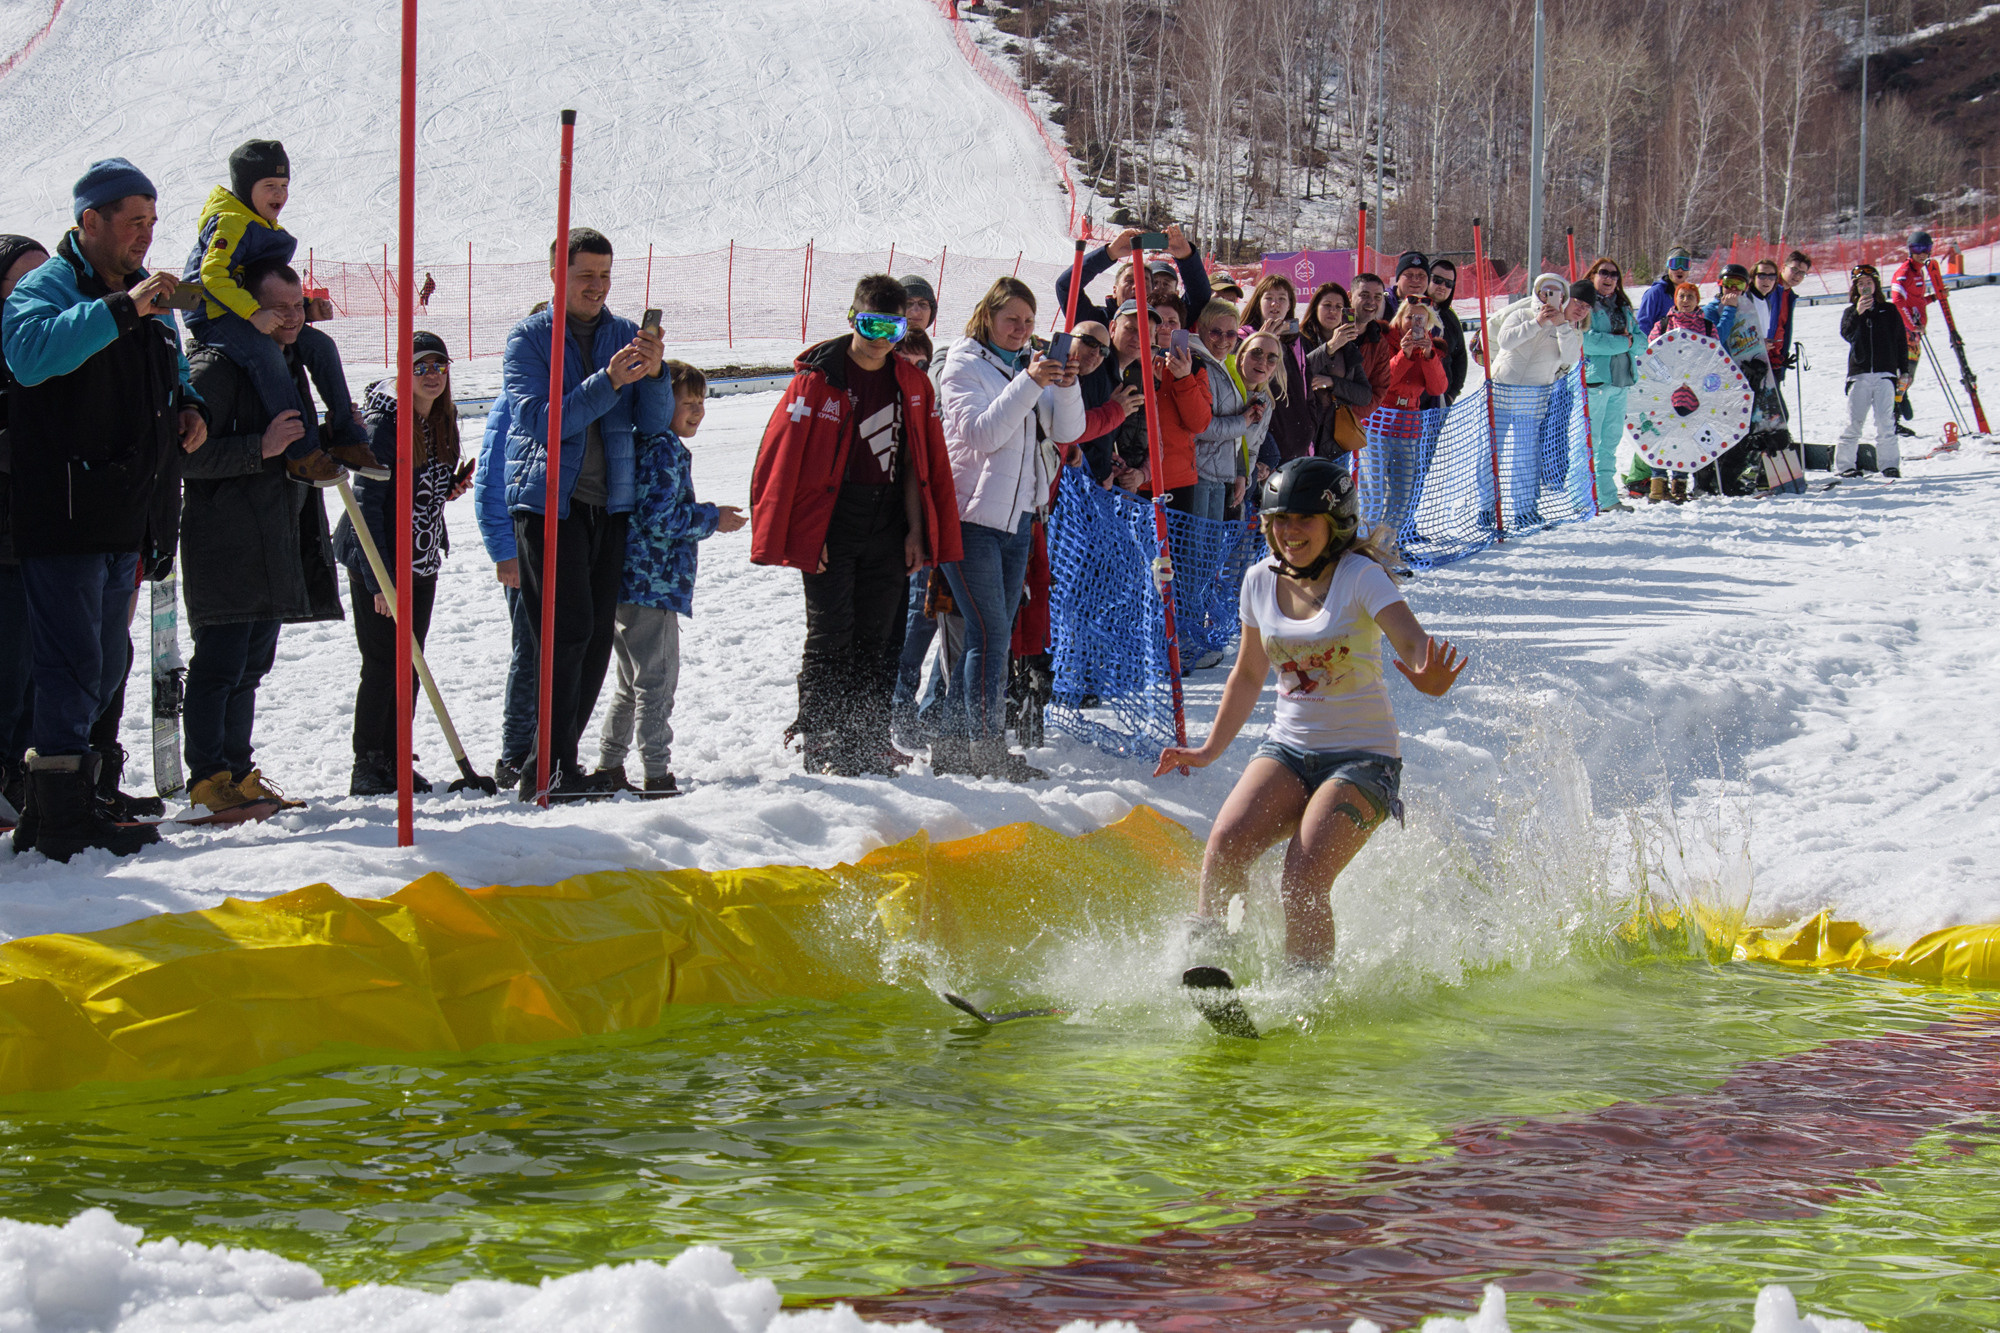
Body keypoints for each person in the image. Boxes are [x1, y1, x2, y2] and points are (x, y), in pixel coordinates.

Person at [1154, 457, 1465, 969]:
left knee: (1301, 878)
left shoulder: (1362, 576)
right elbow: (1249, 674)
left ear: (1335, 524)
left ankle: (1306, 994)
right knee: (1226, 846)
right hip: (1289, 750)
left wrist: (1427, 675)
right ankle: (1215, 967)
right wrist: (1209, 750)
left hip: (1364, 760)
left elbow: (1413, 643)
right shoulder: (1258, 580)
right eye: (1280, 519)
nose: (1289, 531)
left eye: (1304, 519)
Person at [3, 159, 206, 861]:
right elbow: (29, 356)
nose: (145, 237)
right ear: (89, 221)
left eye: (152, 222)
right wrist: (126, 309)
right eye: (132, 223)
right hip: (64, 510)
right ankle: (55, 813)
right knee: (69, 663)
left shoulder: (141, 294)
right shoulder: (47, 286)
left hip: (127, 508)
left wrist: (190, 407)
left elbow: (172, 364)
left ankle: (87, 794)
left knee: (107, 660)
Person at [753, 275, 963, 776]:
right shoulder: (818, 378)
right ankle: (823, 738)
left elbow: (917, 465)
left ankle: (866, 738)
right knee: (832, 633)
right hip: (832, 520)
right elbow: (787, 461)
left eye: (891, 326)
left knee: (882, 636)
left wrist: (916, 531)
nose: (879, 336)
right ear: (852, 318)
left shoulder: (912, 381)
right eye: (869, 322)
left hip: (888, 520)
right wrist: (808, 533)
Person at [503, 227, 673, 801]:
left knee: (597, 639)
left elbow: (652, 423)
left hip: (611, 506)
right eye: (585, 276)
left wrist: (656, 374)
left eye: (604, 275)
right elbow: (542, 423)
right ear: (557, 275)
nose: (597, 287)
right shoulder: (529, 339)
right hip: (551, 505)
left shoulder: (626, 333)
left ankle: (556, 762)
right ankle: (543, 765)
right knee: (564, 634)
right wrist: (609, 380)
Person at [179, 259, 342, 815]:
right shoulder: (216, 369)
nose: (294, 318)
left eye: (299, 306)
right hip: (226, 543)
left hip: (273, 537)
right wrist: (261, 447)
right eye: (281, 308)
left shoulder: (284, 360)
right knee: (220, 665)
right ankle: (206, 782)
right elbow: (183, 457)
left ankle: (238, 773)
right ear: (249, 308)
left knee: (250, 667)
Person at [934, 276, 1084, 779]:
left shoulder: (1024, 367)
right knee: (990, 633)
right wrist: (1031, 382)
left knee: (990, 634)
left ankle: (954, 746)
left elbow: (1068, 433)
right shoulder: (963, 365)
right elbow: (982, 433)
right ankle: (986, 748)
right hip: (972, 518)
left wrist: (1065, 385)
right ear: (988, 318)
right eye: (1010, 320)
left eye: (1027, 322)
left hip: (1019, 516)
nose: (1020, 330)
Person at [180, 139, 381, 487]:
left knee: (320, 346)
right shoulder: (231, 221)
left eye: (284, 185)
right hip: (214, 314)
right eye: (269, 186)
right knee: (266, 355)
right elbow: (212, 276)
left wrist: (304, 309)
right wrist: (255, 313)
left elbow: (261, 282)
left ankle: (347, 436)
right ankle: (301, 453)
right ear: (246, 188)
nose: (280, 193)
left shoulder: (260, 224)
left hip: (247, 310)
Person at [331, 330, 472, 796]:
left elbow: (419, 492)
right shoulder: (386, 424)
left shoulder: (440, 419)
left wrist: (446, 489)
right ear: (402, 373)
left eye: (439, 366)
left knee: (409, 661)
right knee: (382, 662)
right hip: (381, 558)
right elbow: (370, 504)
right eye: (421, 367)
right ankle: (367, 763)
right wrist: (378, 580)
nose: (432, 375)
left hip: (422, 557)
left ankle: (396, 754)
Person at [596, 362, 745, 793]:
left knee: (631, 682)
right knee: (656, 684)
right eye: (688, 403)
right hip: (653, 585)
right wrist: (711, 518)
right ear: (662, 404)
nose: (698, 411)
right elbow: (660, 517)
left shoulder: (654, 444)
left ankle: (609, 763)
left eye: (702, 403)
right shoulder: (661, 448)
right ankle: (656, 773)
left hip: (634, 584)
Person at [0, 234, 50, 820]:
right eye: (19, 282)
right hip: (6, 540)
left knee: (44, 673)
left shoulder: (48, 343)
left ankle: (24, 778)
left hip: (51, 536)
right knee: (8, 670)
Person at [475, 384, 535, 791]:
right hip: (523, 541)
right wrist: (503, 550)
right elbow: (489, 479)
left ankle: (553, 747)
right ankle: (516, 754)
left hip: (570, 535)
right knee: (530, 647)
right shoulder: (514, 400)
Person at [1576, 257, 1646, 510]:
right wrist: (1623, 343)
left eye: (1614, 275)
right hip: (1597, 381)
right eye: (1604, 273)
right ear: (1593, 275)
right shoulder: (1585, 305)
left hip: (1621, 381)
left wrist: (1628, 342)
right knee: (1589, 441)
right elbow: (1588, 341)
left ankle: (1606, 497)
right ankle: (1582, 498)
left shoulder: (1623, 308)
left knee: (1610, 442)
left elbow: (1642, 342)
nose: (1609, 278)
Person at [1053, 225, 1212, 330]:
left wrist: (1186, 256)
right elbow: (1066, 286)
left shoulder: (1165, 322)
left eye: (1145, 282)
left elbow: (1200, 296)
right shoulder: (1097, 321)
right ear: (1114, 290)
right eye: (1129, 281)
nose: (1137, 287)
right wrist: (1110, 253)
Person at [1192, 300, 1267, 521]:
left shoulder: (1225, 364)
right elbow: (1202, 427)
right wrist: (1243, 421)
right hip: (1199, 472)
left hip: (1220, 473)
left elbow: (1238, 436)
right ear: (1201, 330)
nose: (1224, 340)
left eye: (1231, 334)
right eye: (1216, 333)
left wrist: (1241, 473)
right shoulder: (1198, 364)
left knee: (1212, 552)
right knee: (1196, 551)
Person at [1834, 264, 1908, 480]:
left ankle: (1889, 465)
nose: (1865, 287)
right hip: (1860, 373)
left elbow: (1900, 342)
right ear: (1855, 288)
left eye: (1869, 283)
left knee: (1886, 421)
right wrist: (1858, 313)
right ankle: (1844, 465)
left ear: (1876, 284)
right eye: (1860, 284)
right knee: (1853, 421)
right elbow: (1846, 334)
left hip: (1885, 373)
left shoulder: (1890, 310)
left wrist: (1904, 370)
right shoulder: (1851, 311)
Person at [1643, 282, 1713, 503]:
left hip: (1692, 392)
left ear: (1697, 300)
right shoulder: (1663, 324)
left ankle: (1679, 484)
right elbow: (1651, 353)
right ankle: (1658, 482)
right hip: (1665, 391)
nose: (1685, 300)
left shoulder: (1707, 326)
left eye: (1690, 296)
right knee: (1661, 435)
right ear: (1675, 299)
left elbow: (1714, 357)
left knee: (1684, 437)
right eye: (1681, 296)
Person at [1239, 274, 1311, 468]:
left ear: (1290, 306)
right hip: (1262, 440)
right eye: (1268, 298)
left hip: (1296, 439)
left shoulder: (1297, 342)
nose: (1275, 304)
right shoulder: (1243, 338)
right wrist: (1263, 340)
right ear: (1257, 302)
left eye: (1281, 299)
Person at [1300, 283, 1373, 462]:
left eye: (1339, 307)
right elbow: (1297, 374)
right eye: (1327, 305)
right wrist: (1330, 347)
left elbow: (1364, 395)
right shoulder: (1299, 340)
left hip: (1334, 440)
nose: (1333, 311)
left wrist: (1333, 383)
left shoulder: (1348, 347)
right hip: (1303, 434)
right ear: (1315, 307)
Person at [1888, 230, 1936, 434]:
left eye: (1926, 249)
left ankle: (1899, 403)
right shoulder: (1905, 272)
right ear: (1910, 250)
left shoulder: (1919, 272)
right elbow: (1897, 300)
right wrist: (1910, 326)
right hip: (1905, 333)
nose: (1922, 253)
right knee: (1903, 376)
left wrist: (1933, 298)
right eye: (1917, 249)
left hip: (1914, 334)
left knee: (1908, 377)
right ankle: (1892, 419)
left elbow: (1915, 301)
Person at [1763, 250, 1812, 384]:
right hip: (1760, 357)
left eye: (1802, 273)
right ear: (1784, 267)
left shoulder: (1789, 295)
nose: (1797, 276)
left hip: (1776, 358)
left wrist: (1782, 355)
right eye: (1794, 270)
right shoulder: (1768, 287)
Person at [1426, 260, 1469, 403]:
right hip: (1408, 398)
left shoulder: (1450, 317)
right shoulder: (1410, 310)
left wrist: (1452, 394)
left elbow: (1460, 356)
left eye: (1448, 284)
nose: (1442, 287)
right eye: (1437, 280)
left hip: (1439, 399)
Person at [1635, 245, 1693, 334]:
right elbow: (1642, 327)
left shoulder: (1690, 295)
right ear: (1668, 267)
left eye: (1685, 265)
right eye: (1675, 265)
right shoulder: (1655, 293)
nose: (1680, 269)